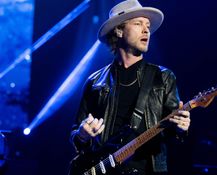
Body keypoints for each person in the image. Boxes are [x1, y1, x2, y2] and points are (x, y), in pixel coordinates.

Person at [69, 0, 191, 174]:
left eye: (147, 25)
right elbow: (77, 135)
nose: (146, 30)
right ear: (119, 30)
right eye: (138, 23)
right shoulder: (95, 81)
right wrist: (83, 135)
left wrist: (181, 128)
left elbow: (173, 135)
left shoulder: (162, 78)